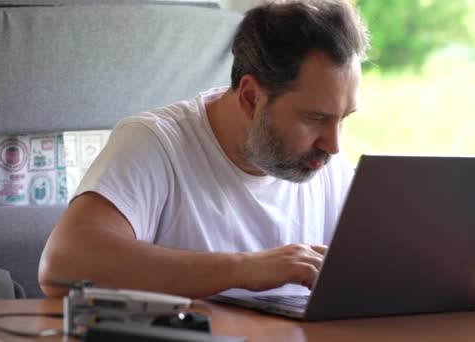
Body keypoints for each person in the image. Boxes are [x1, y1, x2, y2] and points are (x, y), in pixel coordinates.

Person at [38, 0, 370, 298]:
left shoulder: (324, 165)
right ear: (251, 98)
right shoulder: (156, 144)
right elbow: (64, 264)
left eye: (343, 118)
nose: (334, 145)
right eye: (315, 118)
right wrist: (245, 269)